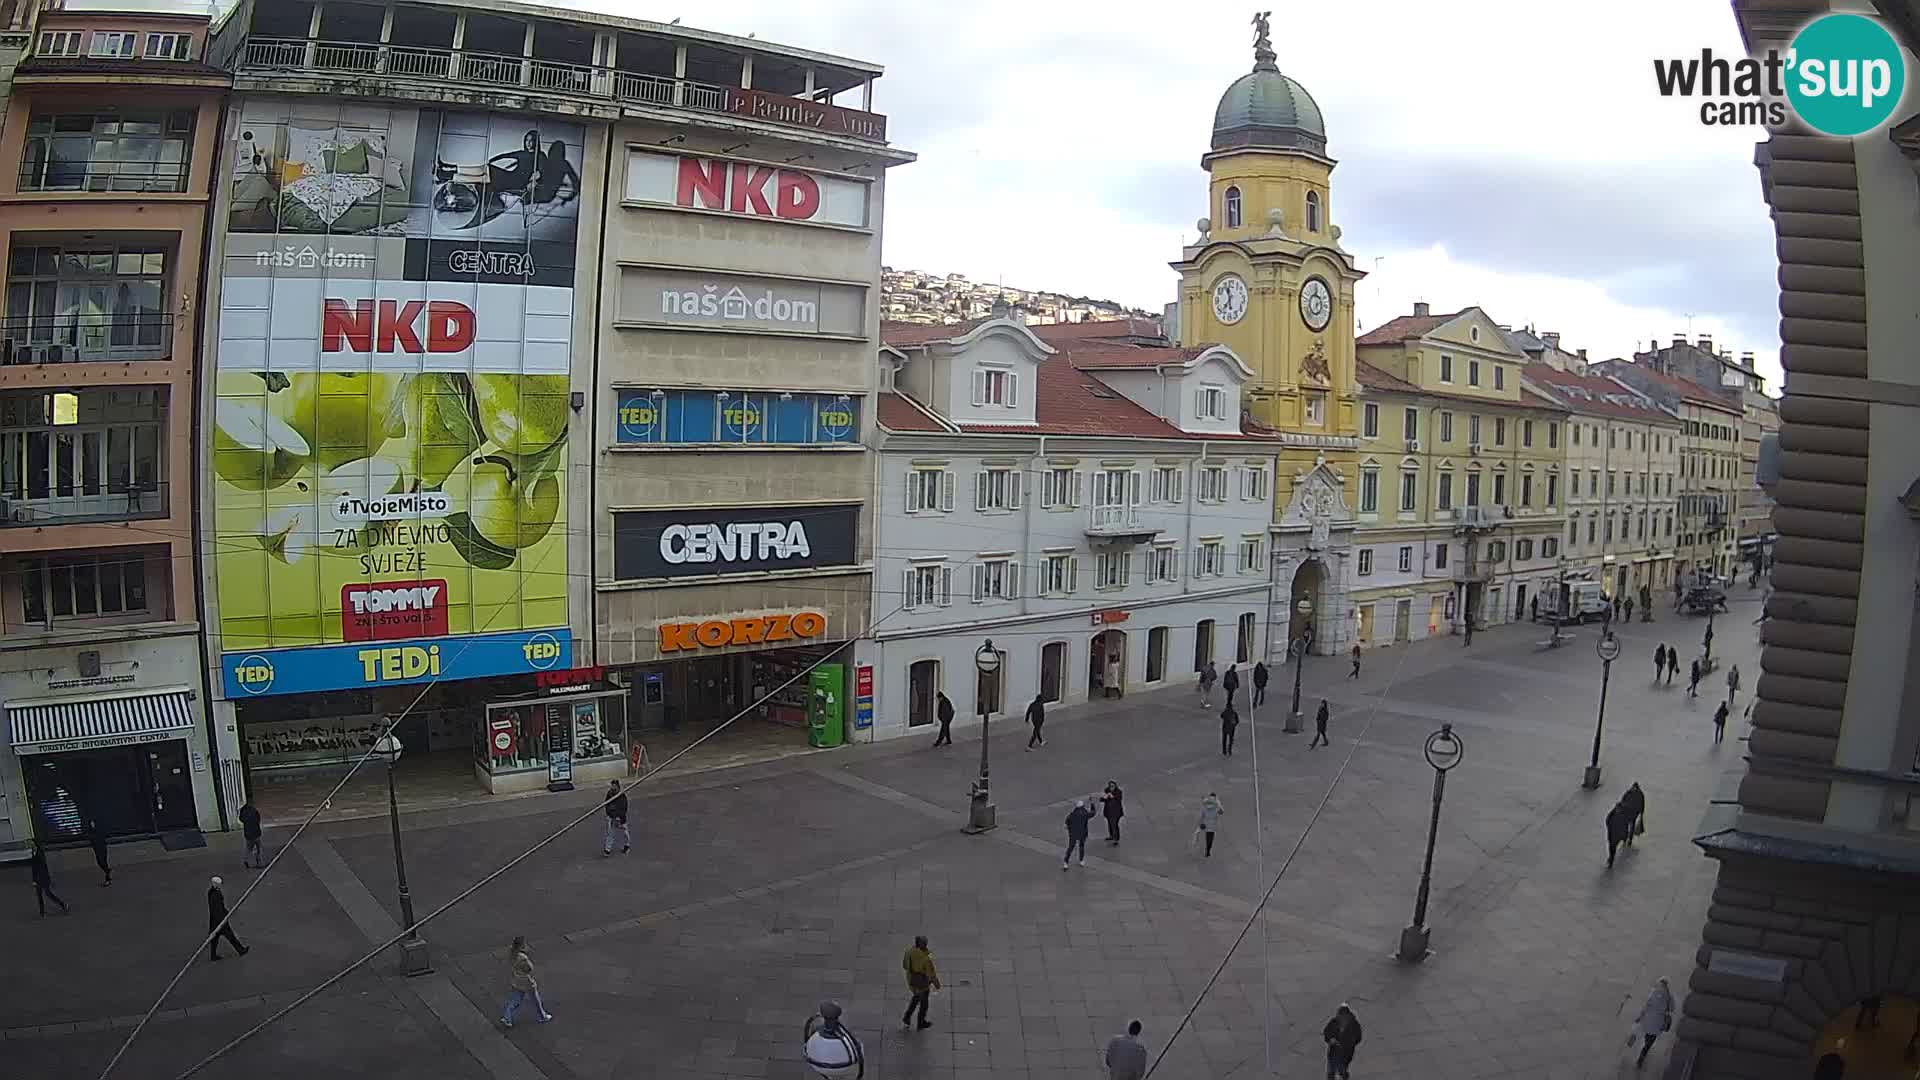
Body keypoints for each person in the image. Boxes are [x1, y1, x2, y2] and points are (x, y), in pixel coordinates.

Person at [500, 936, 552, 1026]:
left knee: (516, 1000)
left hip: (516, 979)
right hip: (526, 981)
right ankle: (542, 1016)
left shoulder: (511, 953)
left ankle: (507, 1017)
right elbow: (529, 968)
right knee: (535, 999)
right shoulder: (523, 958)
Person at [1630, 977, 1674, 1068]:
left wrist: (1640, 1017)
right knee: (1652, 1038)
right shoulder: (1669, 996)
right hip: (1659, 1021)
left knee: (1648, 1034)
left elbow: (1646, 1006)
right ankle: (1644, 1051)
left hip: (1649, 1019)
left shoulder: (1653, 993)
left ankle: (1644, 1048)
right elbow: (1672, 1008)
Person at [901, 935, 941, 1030]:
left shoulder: (909, 952)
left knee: (916, 997)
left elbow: (905, 965)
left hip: (911, 980)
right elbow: (931, 974)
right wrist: (937, 985)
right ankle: (920, 1022)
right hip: (922, 983)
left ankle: (907, 1017)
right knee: (924, 1004)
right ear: (923, 945)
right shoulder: (926, 958)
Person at [206, 876, 248, 960]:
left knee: (215, 938)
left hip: (215, 920)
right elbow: (217, 909)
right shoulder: (215, 894)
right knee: (230, 936)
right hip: (220, 921)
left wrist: (226, 912)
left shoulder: (212, 892)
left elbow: (219, 907)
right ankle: (241, 950)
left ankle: (213, 955)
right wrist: (223, 918)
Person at [1322, 1003, 1363, 1080]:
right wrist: (1330, 1039)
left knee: (1342, 1068)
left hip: (1346, 1052)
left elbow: (1358, 1037)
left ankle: (1343, 1075)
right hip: (1333, 1051)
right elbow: (1326, 1032)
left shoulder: (1354, 1024)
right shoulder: (1334, 1022)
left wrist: (1349, 1043)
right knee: (1331, 1069)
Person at [29, 842, 68, 916]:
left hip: (43, 878)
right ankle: (42, 912)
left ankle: (62, 904)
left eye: (32, 844)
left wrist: (46, 878)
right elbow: (34, 868)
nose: (31, 846)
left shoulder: (39, 853)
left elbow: (43, 867)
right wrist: (34, 879)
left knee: (48, 894)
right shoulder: (34, 853)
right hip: (38, 878)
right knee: (40, 895)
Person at [1063, 798, 1094, 869]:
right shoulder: (1085, 813)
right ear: (1083, 806)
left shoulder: (1073, 814)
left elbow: (1067, 820)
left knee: (1070, 847)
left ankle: (1066, 862)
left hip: (1073, 833)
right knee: (1081, 846)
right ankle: (1081, 860)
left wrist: (1066, 825)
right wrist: (1092, 804)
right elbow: (1093, 812)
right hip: (1082, 833)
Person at [602, 780, 630, 856]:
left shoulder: (622, 795)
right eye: (612, 786)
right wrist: (609, 814)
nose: (612, 787)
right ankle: (607, 849)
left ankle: (626, 845)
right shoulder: (609, 794)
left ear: (617, 787)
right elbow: (606, 805)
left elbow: (623, 808)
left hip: (621, 818)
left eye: (614, 786)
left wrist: (619, 817)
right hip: (612, 817)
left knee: (624, 833)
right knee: (610, 833)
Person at [1606, 801, 1636, 869]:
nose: (1617, 810)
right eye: (1617, 809)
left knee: (1614, 846)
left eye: (1618, 809)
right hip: (1613, 835)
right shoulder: (1612, 814)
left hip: (1619, 834)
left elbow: (1629, 820)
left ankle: (1611, 859)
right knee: (1612, 848)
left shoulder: (1624, 815)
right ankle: (1611, 860)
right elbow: (1607, 820)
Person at [239, 799, 264, 869]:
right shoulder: (254, 810)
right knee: (259, 848)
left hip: (248, 834)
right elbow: (258, 818)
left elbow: (241, 819)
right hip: (256, 832)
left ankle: (246, 860)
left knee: (248, 848)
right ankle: (259, 863)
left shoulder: (243, 812)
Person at [1197, 791, 1224, 857]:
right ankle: (1208, 849)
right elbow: (1221, 812)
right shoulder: (1215, 806)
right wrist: (1218, 804)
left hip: (1209, 825)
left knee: (1209, 838)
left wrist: (1201, 823)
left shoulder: (1206, 805)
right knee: (1210, 838)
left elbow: (1201, 816)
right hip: (1211, 825)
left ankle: (1208, 849)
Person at [1100, 781, 1125, 845]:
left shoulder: (1118, 792)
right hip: (1108, 811)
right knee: (1110, 825)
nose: (1111, 787)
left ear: (1115, 786)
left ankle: (1116, 839)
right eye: (1110, 786)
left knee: (1114, 825)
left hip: (1116, 812)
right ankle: (1111, 836)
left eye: (1113, 786)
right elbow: (1102, 800)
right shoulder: (1106, 791)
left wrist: (1112, 796)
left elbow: (1119, 799)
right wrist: (1104, 798)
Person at [87, 821, 111, 886]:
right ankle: (107, 871)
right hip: (97, 849)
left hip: (102, 848)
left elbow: (103, 837)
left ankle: (107, 877)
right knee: (100, 862)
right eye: (91, 823)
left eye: (93, 823)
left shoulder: (99, 831)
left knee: (103, 862)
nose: (92, 824)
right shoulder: (91, 832)